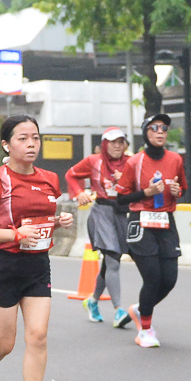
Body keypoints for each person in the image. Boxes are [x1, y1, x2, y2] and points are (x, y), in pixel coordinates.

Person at [0, 115, 73, 381]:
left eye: (35, 138)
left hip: (36, 266)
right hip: (2, 266)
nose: (31, 144)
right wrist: (14, 235)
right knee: (4, 343)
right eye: (22, 138)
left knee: (38, 336)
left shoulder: (49, 179)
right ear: (7, 145)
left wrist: (57, 222)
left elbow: (39, 222)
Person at [65, 126, 136, 326]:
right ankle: (118, 310)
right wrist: (79, 192)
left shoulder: (131, 162)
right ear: (105, 144)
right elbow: (71, 175)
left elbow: (140, 185)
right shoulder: (93, 161)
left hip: (122, 213)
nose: (117, 146)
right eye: (113, 142)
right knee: (113, 260)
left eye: (121, 142)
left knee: (111, 261)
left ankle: (93, 301)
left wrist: (126, 181)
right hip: (101, 213)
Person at [127, 114, 185, 347]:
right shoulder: (134, 162)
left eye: (164, 128)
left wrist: (177, 191)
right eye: (154, 128)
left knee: (169, 279)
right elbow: (120, 198)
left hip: (166, 222)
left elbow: (182, 189)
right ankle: (145, 330)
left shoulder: (175, 159)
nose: (160, 132)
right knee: (152, 278)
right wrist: (146, 193)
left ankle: (141, 308)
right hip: (141, 222)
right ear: (145, 132)